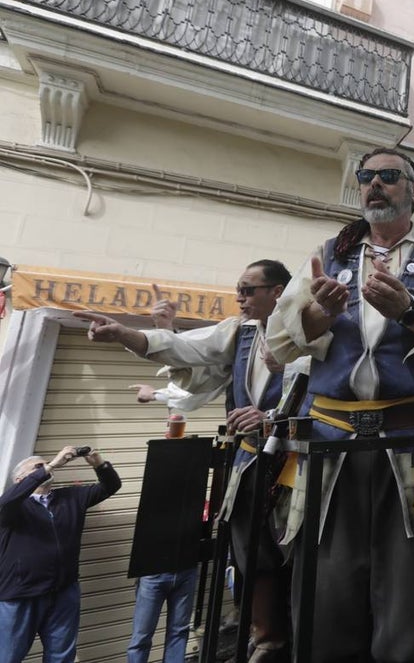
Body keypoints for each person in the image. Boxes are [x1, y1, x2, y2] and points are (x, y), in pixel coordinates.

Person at [265, 147, 414, 662]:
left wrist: (411, 310)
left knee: (411, 590)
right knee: (326, 583)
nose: (375, 184)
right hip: (330, 446)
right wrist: (316, 318)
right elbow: (279, 340)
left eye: (390, 176)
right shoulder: (331, 253)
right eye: (367, 176)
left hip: (412, 442)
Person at [76, 260, 298, 663]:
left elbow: (324, 392)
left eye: (248, 290)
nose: (239, 298)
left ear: (277, 291)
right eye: (238, 289)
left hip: (299, 463)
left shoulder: (308, 332)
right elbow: (188, 351)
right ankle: (267, 634)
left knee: (295, 550)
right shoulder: (239, 331)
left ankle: (295, 632)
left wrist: (274, 418)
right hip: (249, 460)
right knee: (250, 548)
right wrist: (126, 333)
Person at [1, 446, 121, 663]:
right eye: (37, 466)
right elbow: (5, 505)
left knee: (61, 656)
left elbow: (111, 486)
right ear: (20, 479)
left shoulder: (71, 497)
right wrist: (51, 465)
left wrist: (99, 464)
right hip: (20, 595)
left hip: (64, 593)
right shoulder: (13, 506)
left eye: (45, 464)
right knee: (7, 656)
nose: (45, 467)